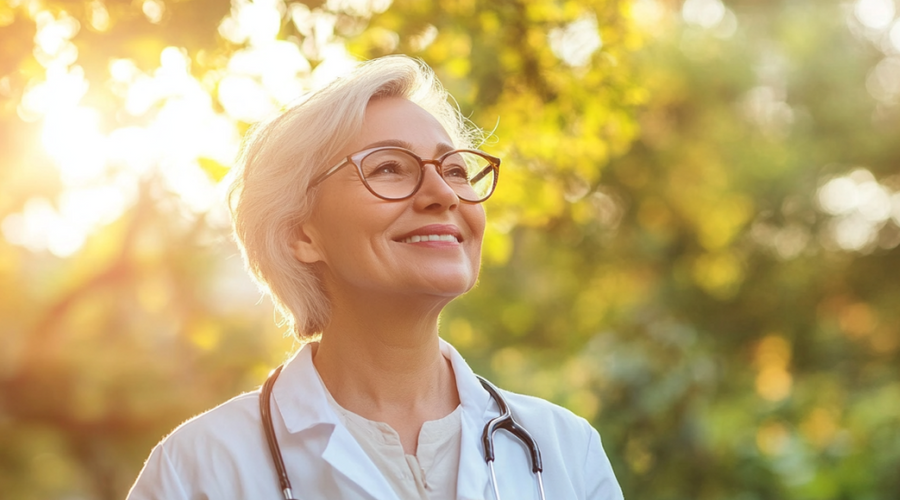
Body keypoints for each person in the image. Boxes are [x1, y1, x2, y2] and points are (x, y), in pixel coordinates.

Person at [127, 55, 623, 500]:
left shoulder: (564, 450)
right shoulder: (196, 472)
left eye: (454, 170)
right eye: (389, 168)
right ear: (302, 233)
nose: (444, 195)